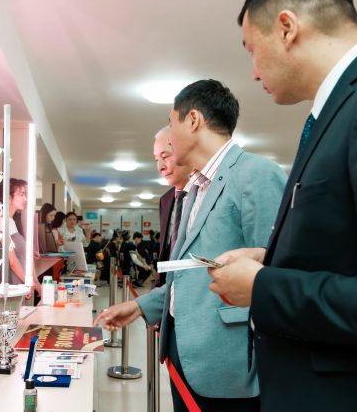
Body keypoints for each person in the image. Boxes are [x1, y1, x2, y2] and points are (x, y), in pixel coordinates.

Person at [208, 0, 357, 412]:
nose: (253, 73)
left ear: (287, 28)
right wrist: (270, 259)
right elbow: (347, 253)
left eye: (252, 50)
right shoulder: (336, 112)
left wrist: (263, 286)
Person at [95, 80, 286, 412]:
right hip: (184, 351)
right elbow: (189, 270)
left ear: (193, 120)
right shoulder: (196, 187)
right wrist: (141, 306)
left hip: (230, 365)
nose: (169, 136)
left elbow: (277, 276)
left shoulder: (256, 174)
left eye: (171, 124)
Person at [154, 126, 193, 287]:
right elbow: (166, 251)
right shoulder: (166, 200)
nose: (160, 167)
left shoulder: (209, 192)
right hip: (169, 290)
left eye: (165, 156)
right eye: (156, 159)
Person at [0, 178, 42, 297]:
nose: (25, 199)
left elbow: (22, 256)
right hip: (11, 288)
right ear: (8, 198)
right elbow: (13, 262)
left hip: (19, 285)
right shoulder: (2, 223)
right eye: (21, 194)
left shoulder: (12, 222)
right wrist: (32, 284)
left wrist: (36, 283)